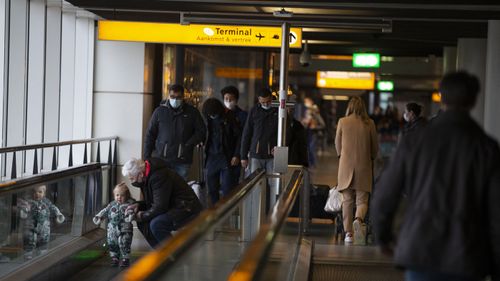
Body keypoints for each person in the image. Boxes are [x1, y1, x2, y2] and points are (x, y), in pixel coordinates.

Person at [372, 71, 500, 281]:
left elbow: (385, 193)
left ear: (441, 96)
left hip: (420, 250)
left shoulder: (414, 141)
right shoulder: (486, 148)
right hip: (467, 256)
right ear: (474, 100)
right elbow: (496, 212)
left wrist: (383, 237)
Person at [122, 157, 203, 248]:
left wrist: (141, 215)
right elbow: (153, 202)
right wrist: (138, 205)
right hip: (173, 205)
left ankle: (173, 253)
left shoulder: (158, 176)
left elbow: (160, 206)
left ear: (140, 174)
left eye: (132, 179)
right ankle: (160, 252)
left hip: (186, 208)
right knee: (143, 222)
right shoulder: (146, 176)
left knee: (157, 224)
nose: (132, 182)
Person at [335, 96, 378, 244]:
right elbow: (375, 148)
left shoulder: (342, 121)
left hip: (345, 167)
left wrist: (342, 156)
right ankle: (358, 220)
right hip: (364, 167)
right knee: (362, 200)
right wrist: (371, 156)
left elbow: (337, 145)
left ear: (350, 107)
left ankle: (349, 234)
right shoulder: (370, 123)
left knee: (347, 200)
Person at [143, 84, 206, 180]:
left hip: (182, 160)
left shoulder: (192, 112)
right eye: (172, 97)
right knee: (163, 188)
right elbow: (150, 134)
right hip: (162, 159)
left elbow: (201, 131)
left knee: (180, 190)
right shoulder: (159, 112)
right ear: (168, 96)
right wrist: (146, 157)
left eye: (178, 97)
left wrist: (189, 144)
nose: (175, 100)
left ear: (183, 97)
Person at [202, 98, 242, 204]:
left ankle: (227, 213)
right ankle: (214, 213)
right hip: (211, 156)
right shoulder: (207, 119)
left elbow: (239, 137)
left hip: (226, 157)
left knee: (227, 188)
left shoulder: (229, 117)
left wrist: (236, 155)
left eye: (214, 114)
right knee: (211, 189)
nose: (212, 116)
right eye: (210, 114)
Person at [93, 183, 136, 267]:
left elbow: (132, 212)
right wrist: (99, 217)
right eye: (117, 195)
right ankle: (114, 258)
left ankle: (125, 258)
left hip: (125, 228)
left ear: (127, 196)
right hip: (112, 228)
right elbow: (105, 211)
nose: (119, 197)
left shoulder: (129, 205)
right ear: (114, 195)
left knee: (124, 242)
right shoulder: (112, 205)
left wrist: (131, 215)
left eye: (122, 195)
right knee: (112, 242)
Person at [19, 185, 65, 260]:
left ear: (44, 193)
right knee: (29, 241)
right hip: (31, 226)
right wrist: (24, 211)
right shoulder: (29, 202)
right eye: (34, 192)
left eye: (40, 192)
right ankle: (28, 256)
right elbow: (24, 208)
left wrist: (58, 214)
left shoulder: (46, 202)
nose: (37, 194)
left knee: (43, 241)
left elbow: (53, 207)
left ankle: (42, 255)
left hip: (44, 226)